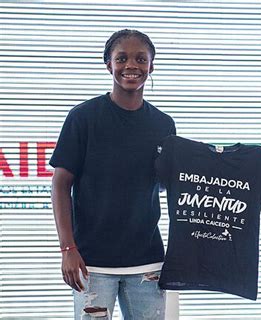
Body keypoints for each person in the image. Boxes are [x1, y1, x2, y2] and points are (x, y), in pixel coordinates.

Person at [50, 29, 176, 319]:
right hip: (91, 263)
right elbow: (59, 184)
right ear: (109, 64)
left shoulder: (164, 124)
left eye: (140, 59)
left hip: (147, 263)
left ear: (151, 66)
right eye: (122, 58)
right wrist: (67, 247)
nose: (131, 65)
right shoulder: (83, 118)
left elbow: (173, 185)